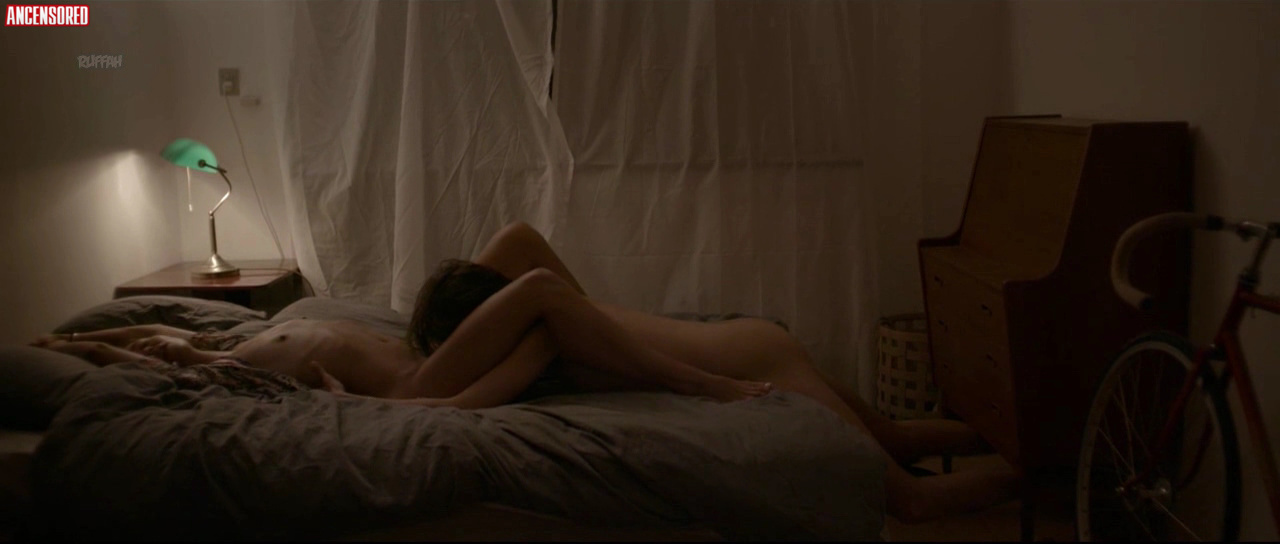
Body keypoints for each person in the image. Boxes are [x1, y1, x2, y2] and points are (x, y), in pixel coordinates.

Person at [32, 221, 1018, 523]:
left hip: (739, 355)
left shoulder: (523, 338)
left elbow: (522, 301)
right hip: (742, 346)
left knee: (900, 488)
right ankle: (1024, 449)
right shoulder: (535, 336)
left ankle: (1031, 461)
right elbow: (165, 347)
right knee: (893, 449)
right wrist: (88, 348)